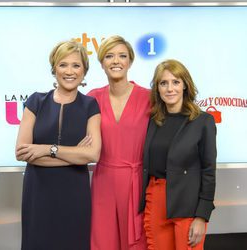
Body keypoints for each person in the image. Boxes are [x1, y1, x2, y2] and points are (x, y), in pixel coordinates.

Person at [15, 40, 101, 250]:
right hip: (38, 193)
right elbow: (22, 152)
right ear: (54, 68)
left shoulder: (90, 105)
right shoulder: (36, 101)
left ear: (84, 71)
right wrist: (74, 155)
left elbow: (93, 154)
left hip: (74, 194)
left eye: (76, 65)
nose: (69, 71)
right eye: (63, 65)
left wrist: (46, 149)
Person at [140, 59, 217, 250]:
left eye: (175, 82)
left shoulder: (203, 121)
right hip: (156, 198)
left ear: (185, 85)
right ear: (157, 88)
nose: (170, 88)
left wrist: (201, 216)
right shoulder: (152, 120)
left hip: (188, 202)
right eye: (163, 83)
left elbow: (209, 170)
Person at [88, 35, 149, 250]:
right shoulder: (92, 98)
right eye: (109, 56)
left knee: (137, 244)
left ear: (130, 61)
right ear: (102, 63)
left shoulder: (149, 98)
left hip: (137, 184)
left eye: (122, 56)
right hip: (103, 182)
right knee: (102, 242)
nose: (116, 61)